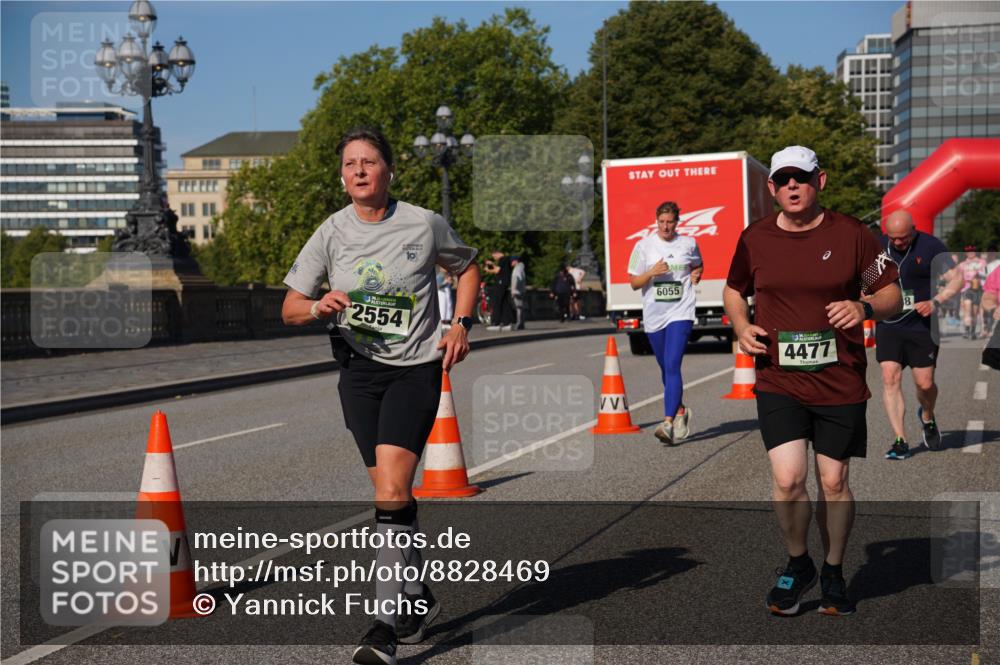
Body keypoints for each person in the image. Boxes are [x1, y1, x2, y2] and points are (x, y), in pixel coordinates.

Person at [281, 127, 480, 665]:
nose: (360, 171)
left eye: (369, 161)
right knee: (392, 500)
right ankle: (418, 597)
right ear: (342, 176)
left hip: (414, 370)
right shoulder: (331, 232)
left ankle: (383, 627)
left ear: (389, 170)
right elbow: (290, 307)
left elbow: (466, 268)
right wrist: (320, 305)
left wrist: (461, 323)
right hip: (357, 374)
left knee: (392, 490)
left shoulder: (423, 222)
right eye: (350, 164)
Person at [724, 146, 901, 617]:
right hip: (778, 378)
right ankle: (799, 563)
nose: (791, 187)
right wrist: (741, 326)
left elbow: (891, 295)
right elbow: (732, 289)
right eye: (782, 180)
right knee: (787, 479)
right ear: (771, 188)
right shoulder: (755, 238)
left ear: (819, 181)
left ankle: (835, 570)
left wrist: (863, 307)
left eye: (800, 179)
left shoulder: (853, 235)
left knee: (834, 480)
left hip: (838, 378)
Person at [875, 210, 962, 460]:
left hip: (922, 325)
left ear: (913, 229)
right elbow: (865, 280)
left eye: (903, 237)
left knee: (925, 384)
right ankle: (900, 440)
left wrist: (936, 301)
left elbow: (956, 279)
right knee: (889, 377)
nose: (899, 243)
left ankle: (927, 415)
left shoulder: (931, 246)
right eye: (894, 238)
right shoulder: (879, 247)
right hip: (889, 325)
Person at [627, 200, 703, 445]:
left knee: (672, 365)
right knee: (665, 367)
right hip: (654, 315)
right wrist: (651, 272)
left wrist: (697, 273)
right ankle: (681, 410)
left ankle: (668, 422)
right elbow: (634, 283)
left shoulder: (688, 243)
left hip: (681, 312)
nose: (666, 227)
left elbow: (698, 263)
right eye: (662, 222)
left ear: (677, 222)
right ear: (656, 221)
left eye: (670, 222)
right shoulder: (643, 246)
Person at [958, 246, 988, 339]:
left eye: (972, 251)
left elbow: (987, 274)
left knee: (975, 312)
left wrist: (979, 275)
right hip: (967, 289)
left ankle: (973, 331)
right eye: (968, 251)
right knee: (967, 308)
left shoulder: (982, 262)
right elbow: (959, 279)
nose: (970, 253)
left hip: (979, 289)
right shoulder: (962, 265)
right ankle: (967, 330)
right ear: (966, 253)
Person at [484, 251, 516, 331]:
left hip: (500, 283)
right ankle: (507, 323)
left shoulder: (502, 260)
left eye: (494, 256)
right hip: (505, 283)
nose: (494, 258)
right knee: (505, 302)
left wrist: (489, 268)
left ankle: (496, 323)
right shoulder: (507, 259)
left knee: (496, 301)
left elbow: (497, 270)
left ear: (496, 253)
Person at [510, 255, 527, 330]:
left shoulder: (517, 269)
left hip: (517, 291)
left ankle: (519, 323)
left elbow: (516, 279)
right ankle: (521, 323)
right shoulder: (521, 268)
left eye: (512, 261)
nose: (511, 263)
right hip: (521, 290)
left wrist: (513, 290)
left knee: (518, 308)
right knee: (520, 308)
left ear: (516, 261)